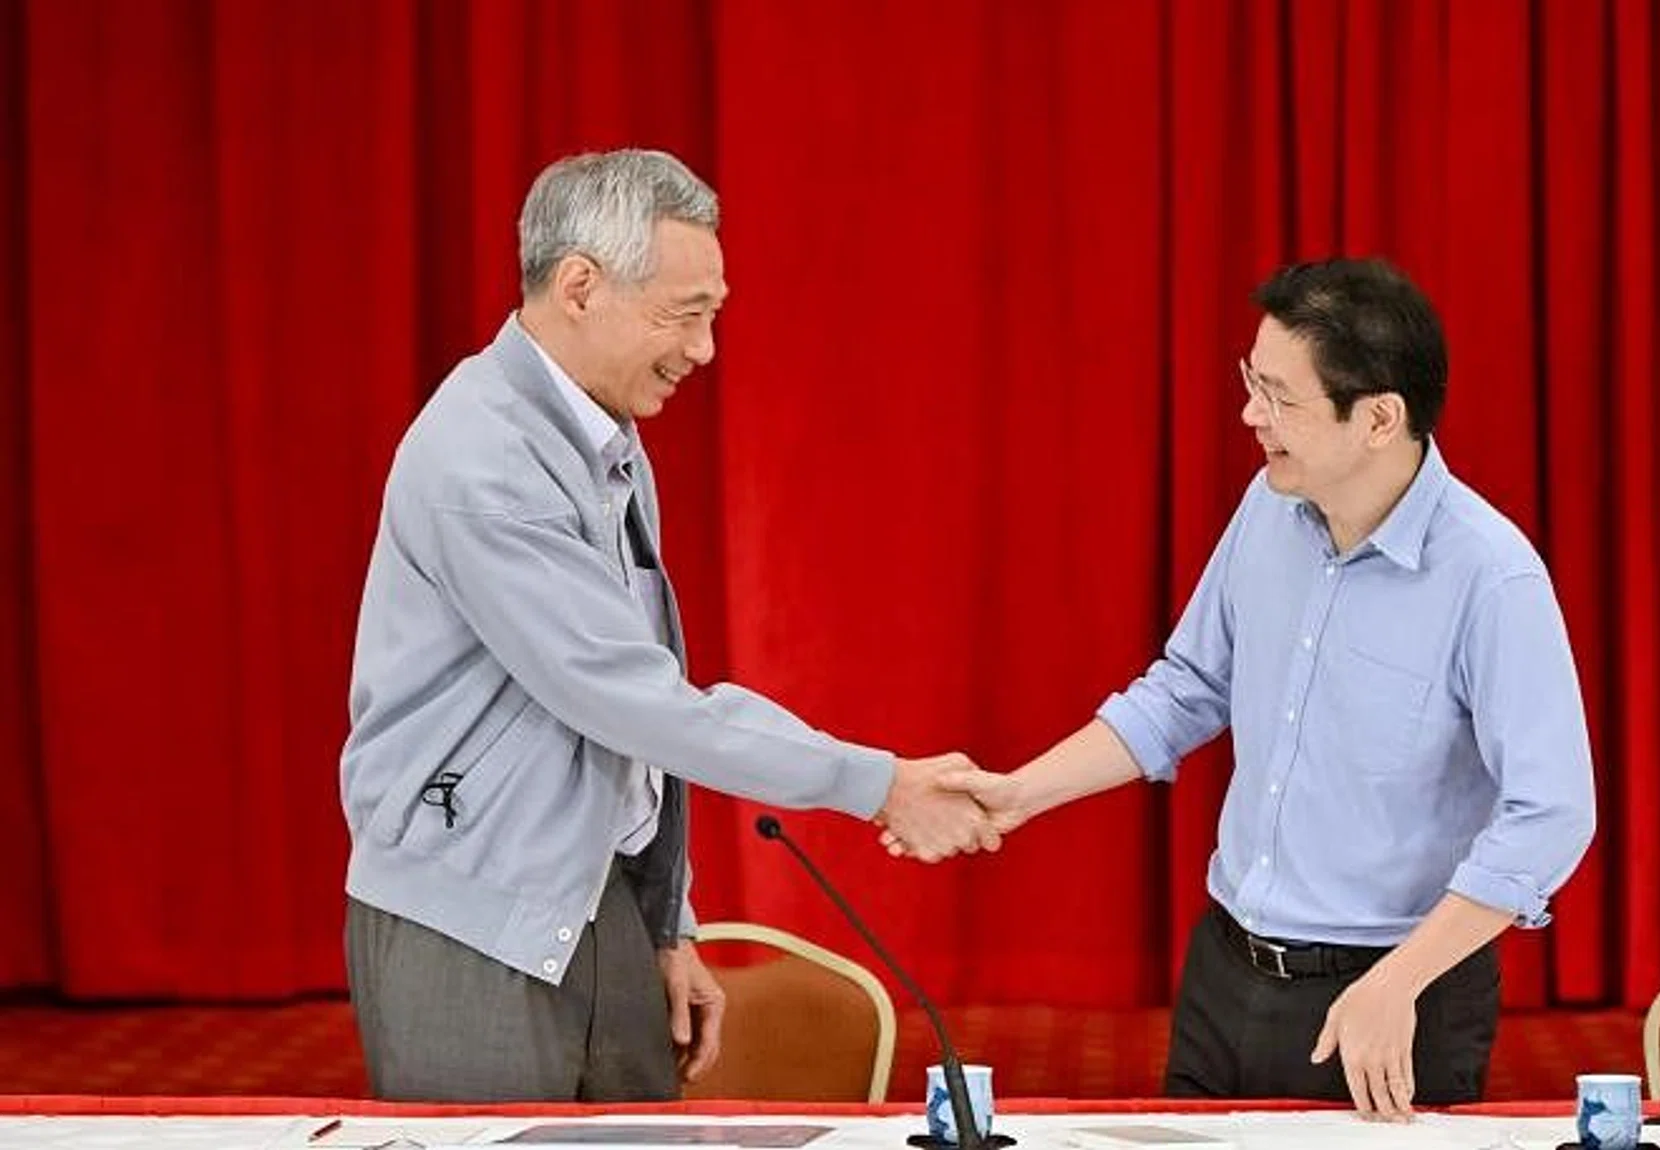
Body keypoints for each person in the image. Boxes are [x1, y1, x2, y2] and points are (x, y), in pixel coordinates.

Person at [340, 148, 994, 1103]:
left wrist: (662, 923)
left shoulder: (604, 438)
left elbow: (622, 728)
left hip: (589, 903)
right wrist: (878, 784)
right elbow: (631, 701)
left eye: (710, 316)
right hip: (469, 919)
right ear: (579, 286)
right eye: (684, 315)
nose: (702, 350)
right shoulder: (482, 458)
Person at [922, 259, 1596, 1118]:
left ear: (1380, 418)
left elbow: (1553, 812)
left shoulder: (1491, 579)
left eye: (1280, 398)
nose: (1251, 416)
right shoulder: (1270, 508)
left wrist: (1405, 981)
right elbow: (1187, 687)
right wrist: (1020, 792)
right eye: (1251, 384)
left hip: (1389, 994)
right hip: (1225, 969)